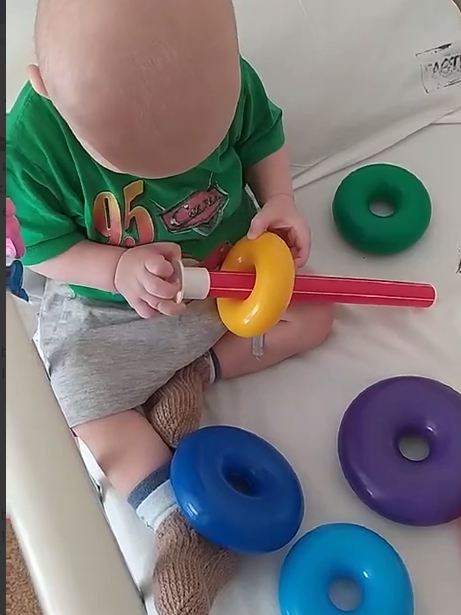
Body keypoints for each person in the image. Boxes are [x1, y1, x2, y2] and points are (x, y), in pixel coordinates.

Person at [6, 0, 334, 612]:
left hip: (229, 280)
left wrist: (280, 200)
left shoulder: (222, 74)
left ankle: (197, 375)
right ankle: (177, 522)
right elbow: (45, 248)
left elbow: (262, 138)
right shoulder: (30, 142)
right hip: (112, 310)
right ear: (45, 87)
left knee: (316, 314)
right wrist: (114, 268)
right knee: (72, 403)